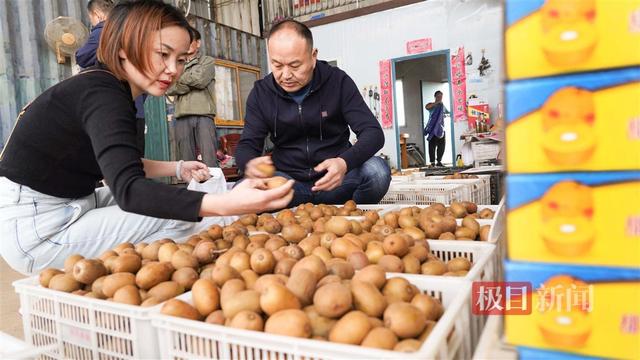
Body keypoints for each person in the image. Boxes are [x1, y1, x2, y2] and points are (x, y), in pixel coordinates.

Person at [0, 0, 293, 275]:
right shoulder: (103, 95)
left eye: (180, 59)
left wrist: (178, 168)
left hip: (67, 204)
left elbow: (118, 165)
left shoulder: (107, 88)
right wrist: (227, 203)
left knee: (176, 204)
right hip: (39, 229)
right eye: (162, 54)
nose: (173, 70)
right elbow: (130, 190)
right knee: (179, 214)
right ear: (126, 48)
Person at [235, 19, 391, 207]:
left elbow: (373, 133)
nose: (285, 75)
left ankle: (351, 216)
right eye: (277, 65)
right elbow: (248, 145)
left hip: (336, 180)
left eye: (294, 65)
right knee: (242, 189)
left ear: (313, 55)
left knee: (377, 171)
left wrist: (344, 163)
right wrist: (249, 165)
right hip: (289, 184)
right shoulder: (261, 93)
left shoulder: (337, 81)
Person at [76, 0, 147, 155]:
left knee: (108, 163)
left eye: (92, 19)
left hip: (112, 109)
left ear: (97, 14)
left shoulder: (104, 30)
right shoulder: (136, 36)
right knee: (135, 162)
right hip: (136, 110)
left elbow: (82, 57)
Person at [166, 28, 219, 168]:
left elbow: (200, 79)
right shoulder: (177, 64)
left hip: (204, 116)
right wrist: (189, 82)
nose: (187, 45)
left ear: (198, 43)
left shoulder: (207, 61)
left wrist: (180, 81)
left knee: (210, 160)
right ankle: (189, 189)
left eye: (191, 42)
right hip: (182, 117)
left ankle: (212, 188)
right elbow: (169, 88)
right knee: (186, 162)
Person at [424, 90, 449, 167]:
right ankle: (432, 162)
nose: (440, 98)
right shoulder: (432, 105)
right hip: (432, 129)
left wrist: (443, 115)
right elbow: (426, 107)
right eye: (438, 96)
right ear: (435, 97)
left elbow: (448, 113)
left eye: (441, 96)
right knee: (432, 146)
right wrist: (437, 103)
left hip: (440, 129)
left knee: (442, 145)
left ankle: (439, 161)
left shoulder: (442, 106)